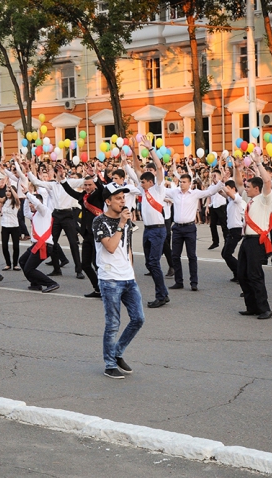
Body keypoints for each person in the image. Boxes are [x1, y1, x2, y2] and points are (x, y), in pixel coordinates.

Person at [93, 183, 144, 379]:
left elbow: (127, 248)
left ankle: (117, 352)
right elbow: (112, 247)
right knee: (113, 323)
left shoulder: (128, 221)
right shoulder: (99, 222)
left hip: (127, 278)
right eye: (118, 198)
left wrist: (132, 273)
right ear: (108, 201)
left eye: (123, 198)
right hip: (110, 279)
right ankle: (109, 364)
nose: (123, 201)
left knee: (138, 318)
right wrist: (121, 224)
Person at [163, 161, 224, 292]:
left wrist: (220, 181)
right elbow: (162, 190)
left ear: (189, 183)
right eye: (180, 182)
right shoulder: (175, 192)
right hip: (177, 228)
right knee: (175, 255)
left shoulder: (195, 193)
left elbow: (210, 191)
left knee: (192, 256)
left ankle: (194, 282)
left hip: (190, 228)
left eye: (184, 182)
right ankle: (178, 281)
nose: (181, 184)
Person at [18, 160, 84, 279]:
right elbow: (36, 182)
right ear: (54, 172)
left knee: (73, 243)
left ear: (65, 171)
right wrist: (28, 170)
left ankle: (79, 270)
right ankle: (56, 268)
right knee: (52, 242)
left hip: (68, 214)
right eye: (57, 169)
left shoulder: (70, 182)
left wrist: (92, 173)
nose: (59, 171)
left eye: (61, 169)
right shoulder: (52, 184)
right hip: (56, 215)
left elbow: (84, 181)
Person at [125, 143, 170, 307]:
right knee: (149, 263)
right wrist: (134, 152)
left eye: (143, 181)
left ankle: (162, 295)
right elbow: (137, 170)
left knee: (154, 263)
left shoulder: (158, 188)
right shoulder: (144, 190)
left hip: (158, 230)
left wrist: (151, 149)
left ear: (150, 182)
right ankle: (163, 293)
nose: (140, 183)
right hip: (148, 230)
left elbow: (158, 166)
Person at [237, 155, 272, 319]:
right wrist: (237, 169)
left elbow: (267, 182)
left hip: (256, 241)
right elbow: (239, 184)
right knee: (242, 274)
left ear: (257, 188)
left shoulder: (264, 199)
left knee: (255, 275)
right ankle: (252, 306)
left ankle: (265, 309)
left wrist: (259, 163)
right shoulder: (250, 199)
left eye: (249, 187)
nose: (246, 189)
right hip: (246, 240)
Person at [61, 166, 105, 297]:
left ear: (94, 185)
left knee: (98, 264)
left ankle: (105, 289)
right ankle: (97, 288)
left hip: (98, 235)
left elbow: (102, 188)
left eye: (89, 185)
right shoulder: (82, 197)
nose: (87, 187)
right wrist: (62, 179)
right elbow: (69, 191)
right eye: (85, 185)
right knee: (85, 264)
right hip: (86, 234)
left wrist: (95, 176)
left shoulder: (98, 194)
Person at [19, 191, 60, 293]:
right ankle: (35, 283)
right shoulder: (35, 215)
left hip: (44, 245)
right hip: (36, 245)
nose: (30, 205)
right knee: (22, 261)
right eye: (29, 203)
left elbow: (37, 204)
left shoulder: (44, 211)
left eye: (31, 203)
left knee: (29, 268)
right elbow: (25, 212)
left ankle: (51, 283)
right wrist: (26, 199)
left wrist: (28, 193)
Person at [0, 179, 21, 271]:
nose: (7, 193)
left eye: (9, 191)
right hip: (5, 226)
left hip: (14, 226)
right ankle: (8, 264)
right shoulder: (4, 200)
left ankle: (15, 264)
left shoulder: (16, 202)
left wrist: (11, 187)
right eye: (6, 191)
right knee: (4, 246)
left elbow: (17, 198)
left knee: (15, 246)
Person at [207, 169, 228, 250]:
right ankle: (215, 242)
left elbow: (224, 191)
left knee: (224, 225)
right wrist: (208, 206)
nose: (213, 177)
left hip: (221, 206)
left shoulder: (222, 184)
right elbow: (209, 196)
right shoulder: (210, 186)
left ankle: (227, 241)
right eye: (212, 176)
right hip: (213, 206)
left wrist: (218, 182)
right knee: (212, 225)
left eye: (215, 175)